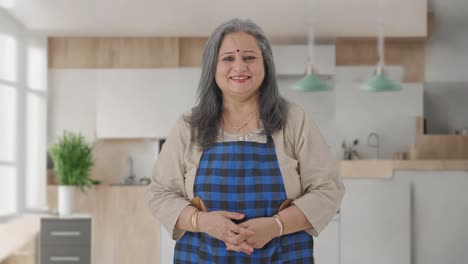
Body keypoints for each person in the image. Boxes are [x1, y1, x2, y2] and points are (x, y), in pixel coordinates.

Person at [145, 18, 345, 263]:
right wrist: (201, 221)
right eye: (228, 58)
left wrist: (276, 226)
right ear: (213, 67)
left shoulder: (294, 120)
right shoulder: (189, 125)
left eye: (249, 58)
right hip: (202, 256)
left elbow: (328, 190)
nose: (239, 67)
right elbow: (159, 193)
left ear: (266, 65)